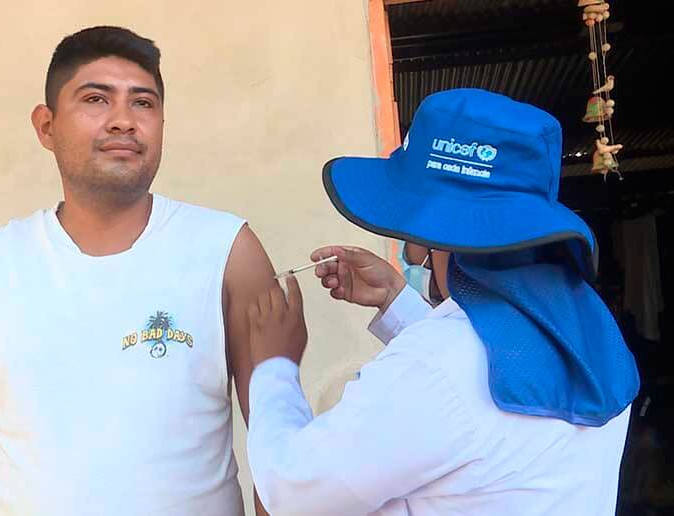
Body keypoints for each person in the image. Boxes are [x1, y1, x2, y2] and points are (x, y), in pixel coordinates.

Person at [0, 26, 273, 516]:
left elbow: (279, 445)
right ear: (46, 127)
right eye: (96, 99)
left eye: (143, 103)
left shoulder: (227, 251)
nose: (123, 121)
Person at [245, 88, 640, 515]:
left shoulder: (436, 366)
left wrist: (273, 365)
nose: (410, 245)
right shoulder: (585, 332)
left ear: (438, 230)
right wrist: (396, 300)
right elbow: (485, 381)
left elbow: (290, 493)